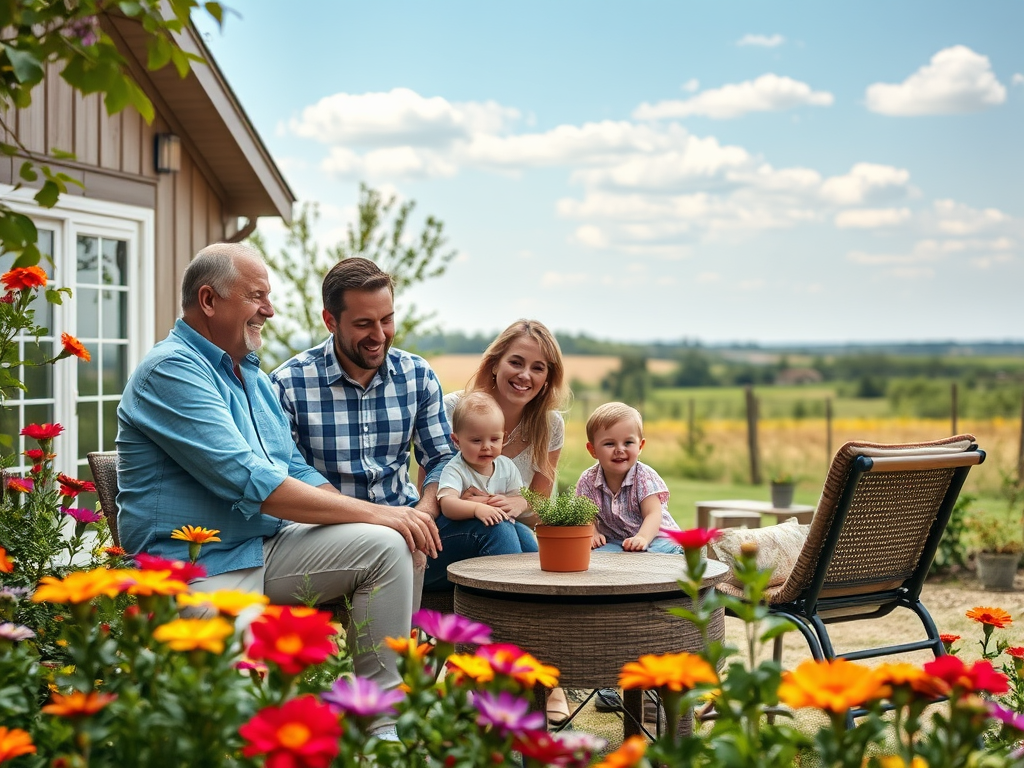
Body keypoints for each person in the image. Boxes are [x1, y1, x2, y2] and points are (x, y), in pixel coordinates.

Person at [116, 243, 439, 737]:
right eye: (257, 296)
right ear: (209, 300)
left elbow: (292, 466)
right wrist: (377, 512)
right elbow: (249, 478)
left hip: (263, 549)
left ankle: (380, 727)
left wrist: (377, 517)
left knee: (392, 545)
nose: (269, 309)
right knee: (244, 716)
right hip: (197, 568)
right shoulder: (171, 370)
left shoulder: (252, 375)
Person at [270, 258, 533, 600]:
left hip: (406, 520)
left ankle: (523, 644)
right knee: (499, 535)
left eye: (387, 319)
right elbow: (288, 472)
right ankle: (494, 653)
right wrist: (375, 519)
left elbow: (441, 457)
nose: (379, 336)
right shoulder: (289, 383)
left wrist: (422, 515)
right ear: (330, 321)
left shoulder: (416, 375)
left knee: (524, 539)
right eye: (364, 323)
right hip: (329, 537)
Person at [440, 318, 571, 724]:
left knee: (521, 535)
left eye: (538, 368)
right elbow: (436, 486)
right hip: (454, 532)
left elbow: (540, 507)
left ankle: (540, 673)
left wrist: (518, 502)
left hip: (509, 533)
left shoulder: (549, 425)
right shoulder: (454, 408)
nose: (525, 375)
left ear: (548, 378)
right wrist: (477, 504)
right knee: (504, 529)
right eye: (517, 362)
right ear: (495, 363)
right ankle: (510, 676)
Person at [576, 402, 683, 553]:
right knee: (595, 553)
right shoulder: (588, 480)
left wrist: (643, 538)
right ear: (592, 450)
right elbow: (584, 513)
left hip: (657, 537)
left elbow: (653, 513)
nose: (619, 449)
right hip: (617, 541)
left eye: (628, 442)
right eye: (609, 444)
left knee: (662, 552)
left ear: (640, 446)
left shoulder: (644, 477)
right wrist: (591, 531)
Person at [437, 391, 530, 528]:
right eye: (476, 440)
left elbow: (517, 498)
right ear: (457, 441)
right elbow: (447, 504)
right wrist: (476, 509)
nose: (486, 447)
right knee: (502, 531)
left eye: (494, 439)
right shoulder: (455, 469)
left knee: (527, 537)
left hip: (503, 521)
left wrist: (511, 502)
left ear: (504, 438)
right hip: (469, 528)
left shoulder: (507, 466)